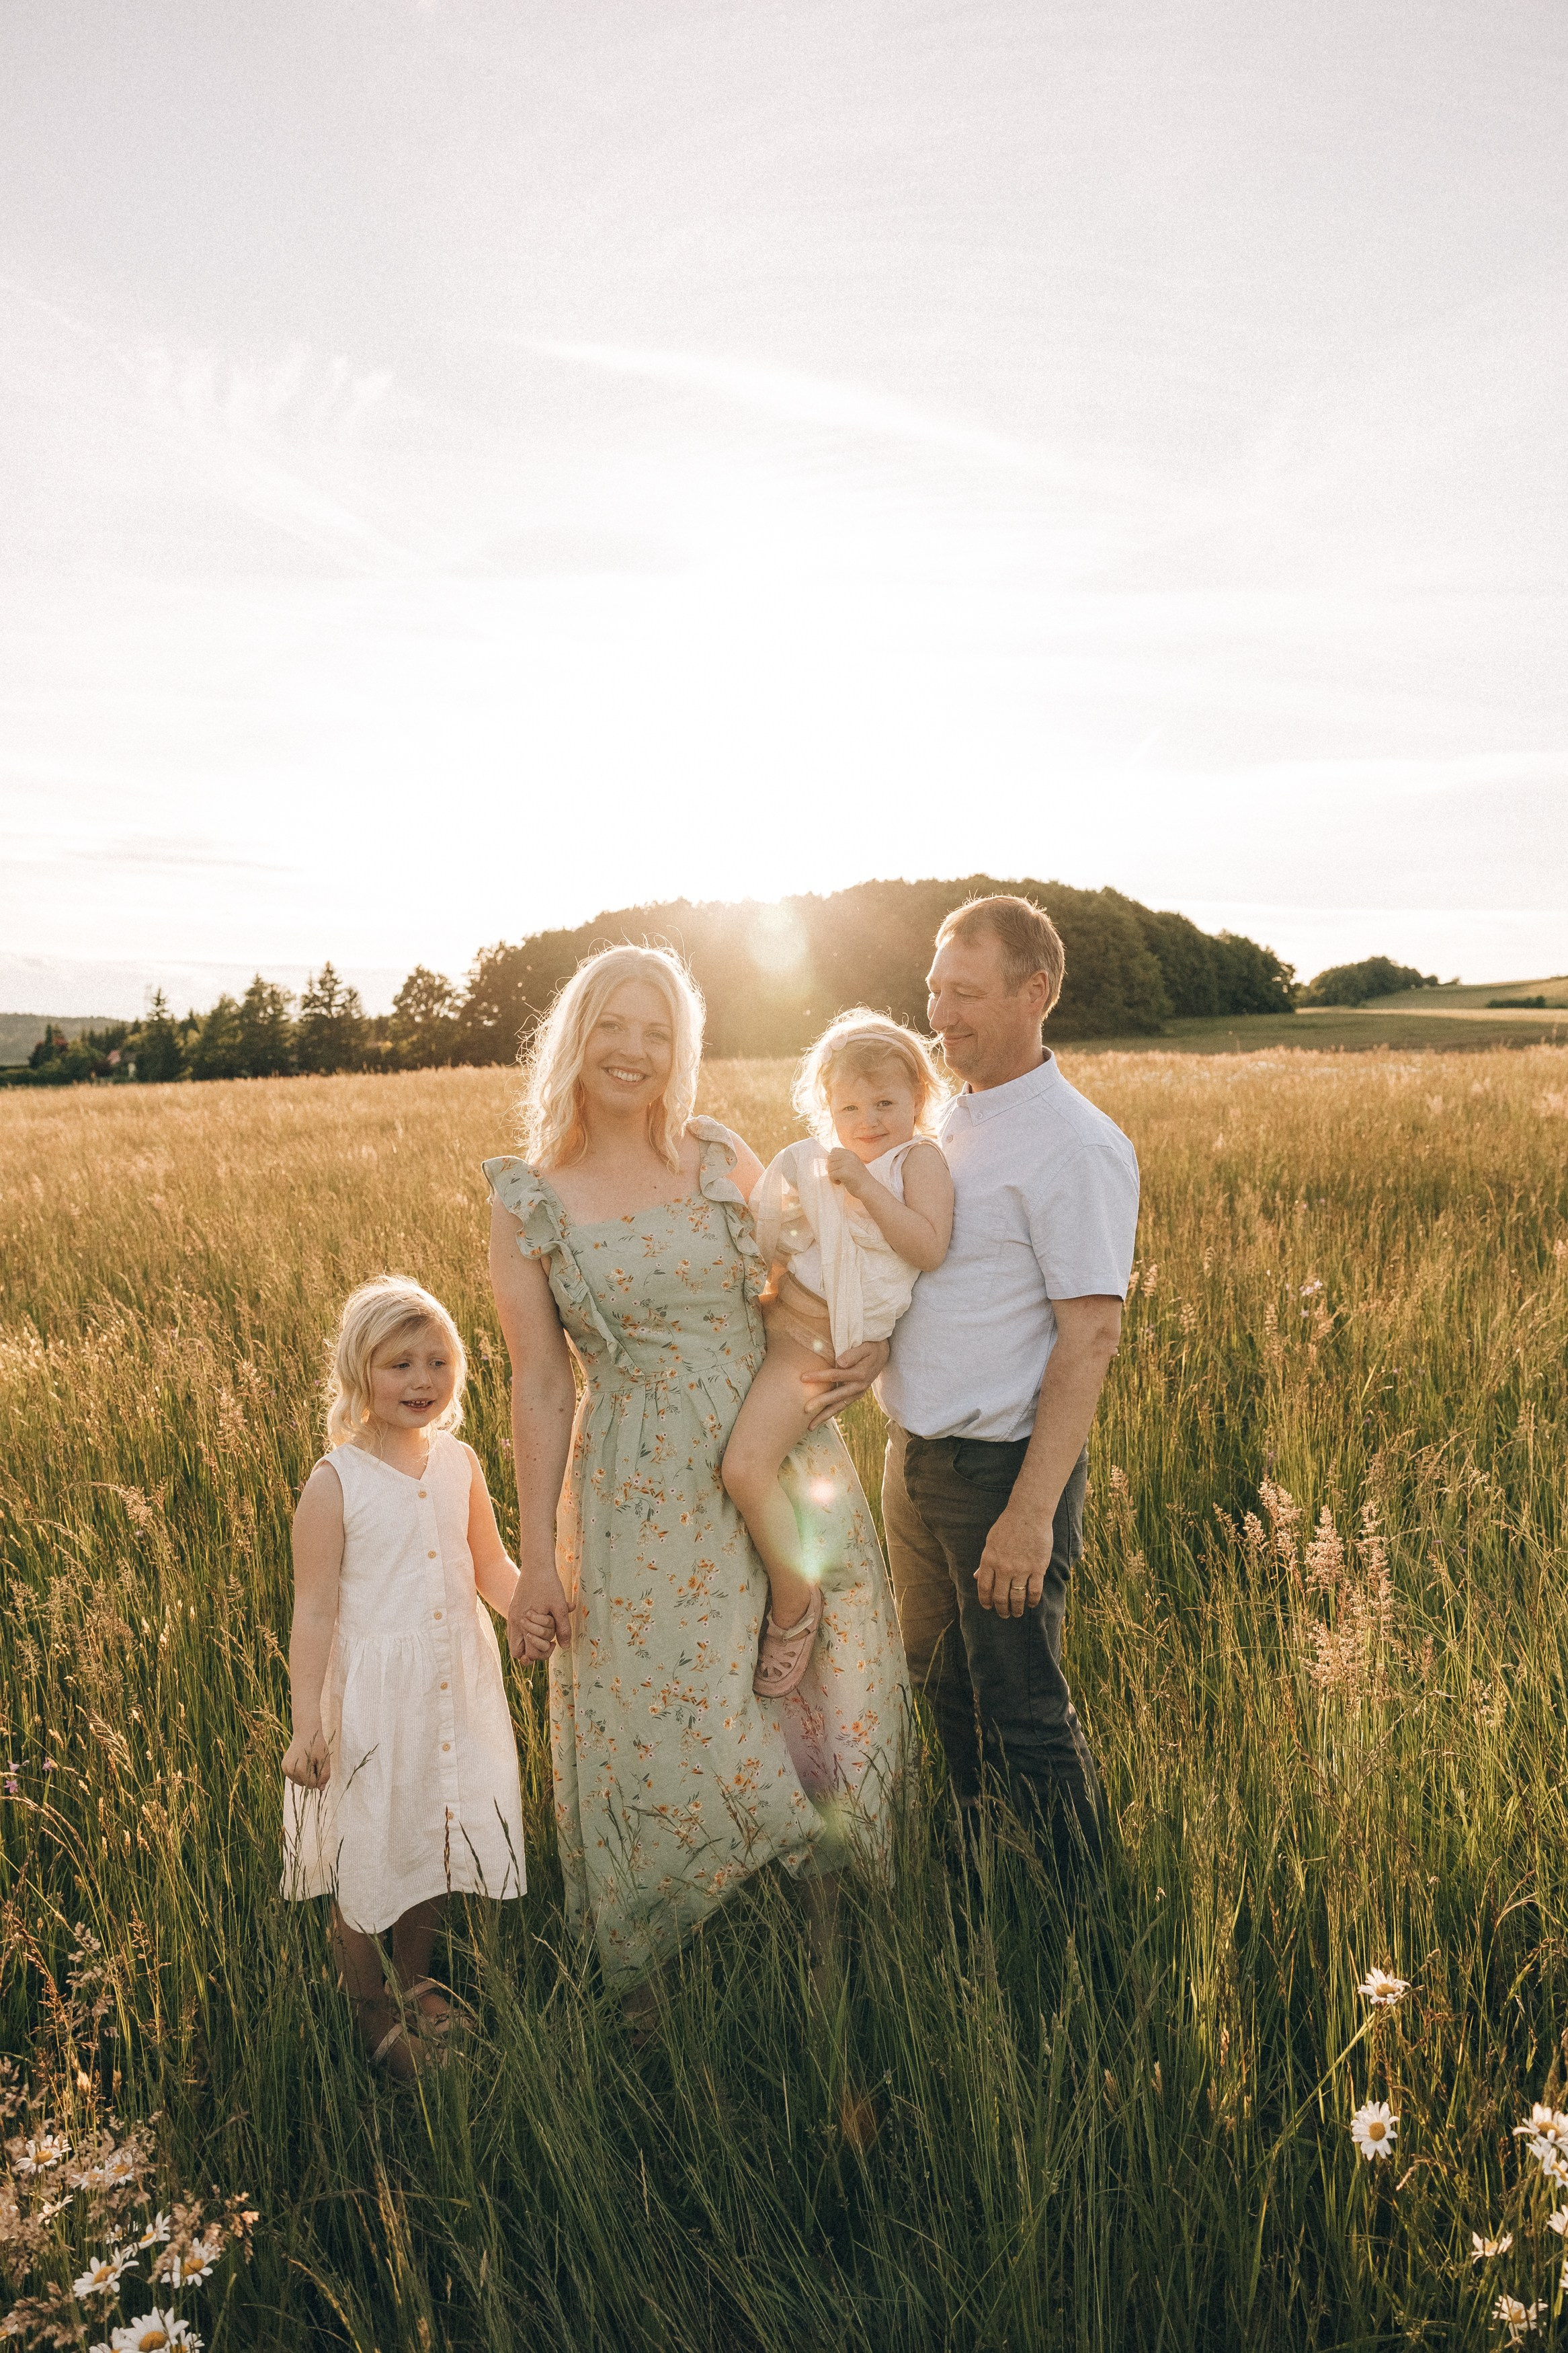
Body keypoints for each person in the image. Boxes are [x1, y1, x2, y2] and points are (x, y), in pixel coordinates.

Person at [484, 945, 906, 2004]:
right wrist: (536, 1559)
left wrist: (869, 1350)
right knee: (662, 1718)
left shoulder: (721, 1155)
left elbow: (817, 1272)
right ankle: (652, 1994)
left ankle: (831, 1963)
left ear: (684, 1050)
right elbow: (539, 1383)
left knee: (815, 1702)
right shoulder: (528, 1199)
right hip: (639, 1492)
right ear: (576, 1038)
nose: (634, 1051)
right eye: (614, 1027)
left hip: (778, 1450)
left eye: (658, 1032)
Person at [878, 895, 1139, 1870]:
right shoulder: (945, 1122)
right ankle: (983, 1889)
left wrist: (1030, 1517)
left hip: (999, 1474)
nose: (942, 1014)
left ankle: (1088, 1951)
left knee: (1023, 1715)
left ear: (1037, 992)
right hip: (916, 1460)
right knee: (938, 1688)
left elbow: (1091, 1336)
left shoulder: (1075, 1143)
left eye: (967, 993)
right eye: (936, 990)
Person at [281, 1277, 526, 2081]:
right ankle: (371, 2010)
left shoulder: (458, 1461)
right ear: (360, 1374)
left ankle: (416, 1975)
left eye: (436, 1361)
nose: (421, 1380)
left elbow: (490, 1566)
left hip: (452, 1683)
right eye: (398, 1364)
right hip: (371, 1704)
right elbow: (313, 1613)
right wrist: (307, 1724)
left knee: (434, 1833)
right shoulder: (335, 1483)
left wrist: (540, 1608)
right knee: (369, 1846)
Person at [723, 1012, 953, 1697]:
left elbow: (926, 1245)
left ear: (917, 1095)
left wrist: (862, 1184)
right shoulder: (826, 1161)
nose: (868, 1118)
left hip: (815, 1342)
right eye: (848, 1106)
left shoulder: (918, 1159)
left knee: (744, 1464)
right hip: (777, 1314)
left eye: (884, 1102)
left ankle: (794, 1602)